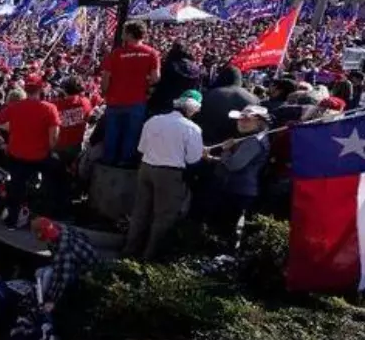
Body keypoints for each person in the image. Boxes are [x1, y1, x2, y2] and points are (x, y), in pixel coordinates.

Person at [124, 91, 204, 260]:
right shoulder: (193, 129)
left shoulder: (153, 121)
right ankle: (149, 257)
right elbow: (193, 158)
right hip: (170, 174)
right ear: (193, 108)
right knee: (164, 217)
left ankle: (130, 251)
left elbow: (142, 148)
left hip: (146, 168)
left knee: (140, 212)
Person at [0, 75, 61, 225]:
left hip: (17, 157)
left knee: (16, 189)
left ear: (25, 89)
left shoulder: (14, 107)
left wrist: (2, 143)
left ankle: (12, 220)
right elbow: (53, 139)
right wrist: (51, 150)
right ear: (41, 89)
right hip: (40, 157)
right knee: (55, 180)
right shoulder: (50, 108)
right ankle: (46, 218)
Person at [206, 104, 272, 243]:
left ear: (259, 121)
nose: (241, 122)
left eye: (247, 119)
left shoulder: (254, 142)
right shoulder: (251, 138)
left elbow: (233, 165)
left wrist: (226, 150)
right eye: (240, 119)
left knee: (225, 232)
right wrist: (211, 159)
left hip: (238, 191)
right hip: (233, 188)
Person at [99, 22, 161, 166]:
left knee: (112, 133)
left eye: (124, 32)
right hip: (137, 101)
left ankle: (108, 161)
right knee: (131, 134)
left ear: (129, 34)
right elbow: (155, 78)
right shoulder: (152, 53)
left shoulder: (116, 53)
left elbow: (106, 77)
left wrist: (104, 92)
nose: (122, 34)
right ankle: (125, 162)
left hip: (115, 100)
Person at [31, 217, 102, 313]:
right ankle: (40, 295)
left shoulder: (64, 250)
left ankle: (42, 304)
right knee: (40, 272)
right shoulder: (61, 229)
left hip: (89, 272)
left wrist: (52, 300)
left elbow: (63, 279)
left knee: (48, 274)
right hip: (78, 262)